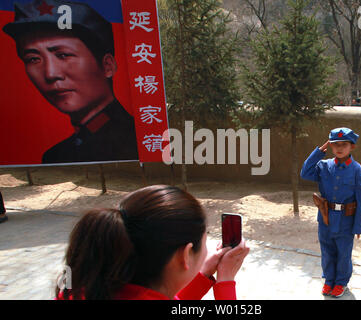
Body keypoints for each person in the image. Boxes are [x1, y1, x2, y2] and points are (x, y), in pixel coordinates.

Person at [55, 185, 250, 300]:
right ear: (185, 255)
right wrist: (225, 282)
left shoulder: (83, 290)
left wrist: (204, 273)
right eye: (205, 239)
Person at [3, 0, 138, 163]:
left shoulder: (139, 141)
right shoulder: (56, 156)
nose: (50, 73)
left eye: (63, 55)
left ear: (107, 66)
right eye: (33, 59)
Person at [300, 128, 361, 298]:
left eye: (344, 144)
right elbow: (305, 173)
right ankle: (329, 280)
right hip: (325, 217)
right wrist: (319, 152)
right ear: (330, 146)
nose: (339, 148)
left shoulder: (358, 171)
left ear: (352, 146)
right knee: (327, 250)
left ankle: (341, 282)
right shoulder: (324, 166)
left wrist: (358, 227)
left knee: (344, 253)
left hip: (346, 220)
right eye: (335, 144)